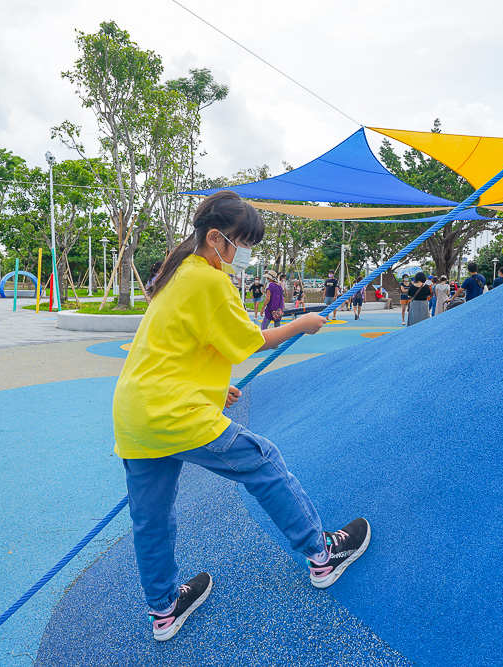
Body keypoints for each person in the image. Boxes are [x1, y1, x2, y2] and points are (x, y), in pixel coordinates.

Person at [118, 190, 371, 641]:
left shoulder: (177, 273)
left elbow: (180, 345)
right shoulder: (209, 280)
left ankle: (163, 608)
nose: (244, 253)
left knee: (151, 518)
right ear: (216, 238)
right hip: (174, 411)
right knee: (263, 461)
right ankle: (321, 555)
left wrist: (214, 385)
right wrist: (300, 324)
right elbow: (250, 339)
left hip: (136, 412)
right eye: (242, 243)